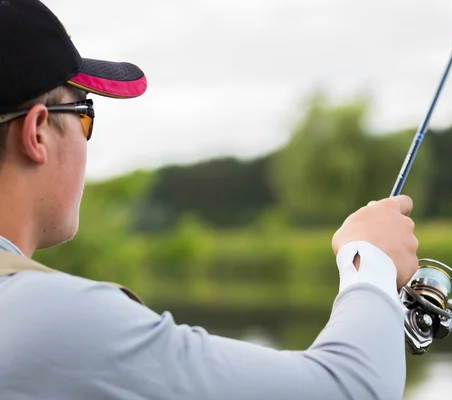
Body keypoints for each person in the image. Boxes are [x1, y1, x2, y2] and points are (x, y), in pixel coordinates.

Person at [0, 1, 420, 399]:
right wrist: (371, 262)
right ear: (37, 133)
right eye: (84, 113)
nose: (85, 135)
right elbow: (350, 390)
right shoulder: (58, 323)